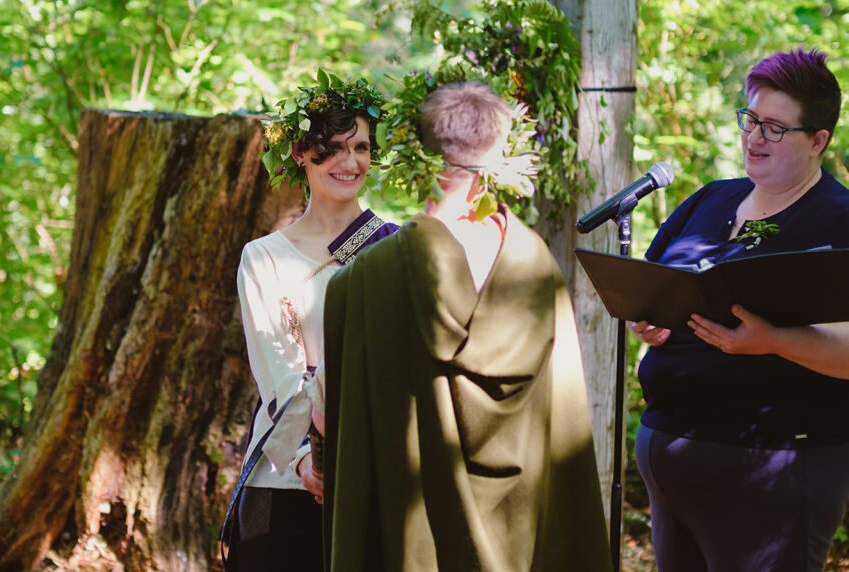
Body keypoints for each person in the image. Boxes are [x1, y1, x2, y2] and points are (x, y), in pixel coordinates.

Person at [315, 80, 612, 572]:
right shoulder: (535, 266)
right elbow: (561, 424)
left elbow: (330, 417)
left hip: (413, 545)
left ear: (422, 152)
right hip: (522, 540)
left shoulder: (362, 281)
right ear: (499, 155)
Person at [630, 48, 849, 572]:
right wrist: (650, 319)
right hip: (671, 455)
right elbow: (656, 286)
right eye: (750, 119)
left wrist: (773, 340)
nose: (753, 137)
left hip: (773, 471)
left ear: (818, 140)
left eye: (774, 128)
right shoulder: (710, 199)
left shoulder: (838, 222)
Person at [225, 73, 398, 572]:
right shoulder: (264, 258)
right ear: (300, 152)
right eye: (335, 149)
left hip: (375, 476)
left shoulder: (394, 247)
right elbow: (277, 369)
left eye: (361, 147)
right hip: (286, 476)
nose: (351, 163)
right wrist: (307, 458)